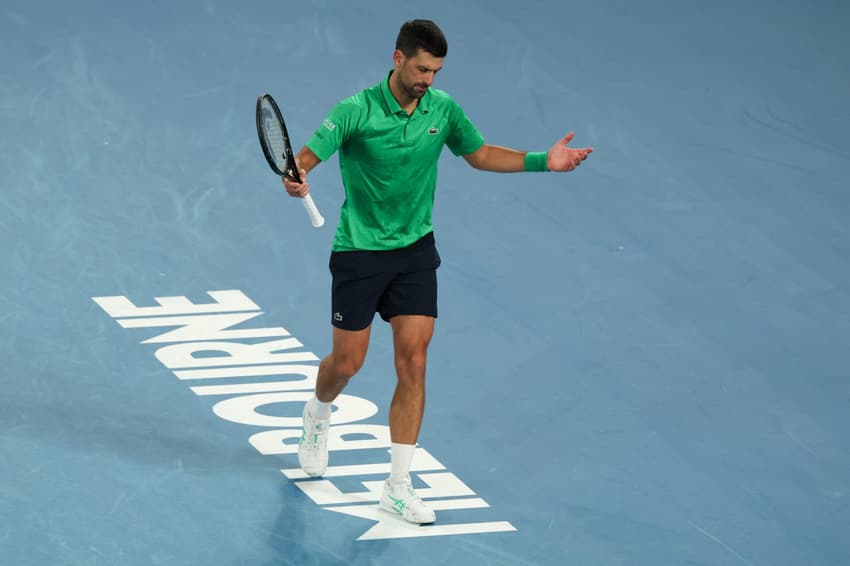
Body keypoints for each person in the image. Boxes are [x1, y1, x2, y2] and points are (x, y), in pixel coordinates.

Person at [283, 19, 592, 524]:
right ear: (398, 58)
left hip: (414, 253)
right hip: (360, 252)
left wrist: (543, 161)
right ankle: (318, 413)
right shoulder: (353, 111)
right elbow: (304, 160)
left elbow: (480, 154)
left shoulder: (442, 110)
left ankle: (397, 486)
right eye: (422, 69)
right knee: (347, 364)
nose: (428, 80)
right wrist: (296, 178)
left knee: (415, 362)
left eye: (436, 72)